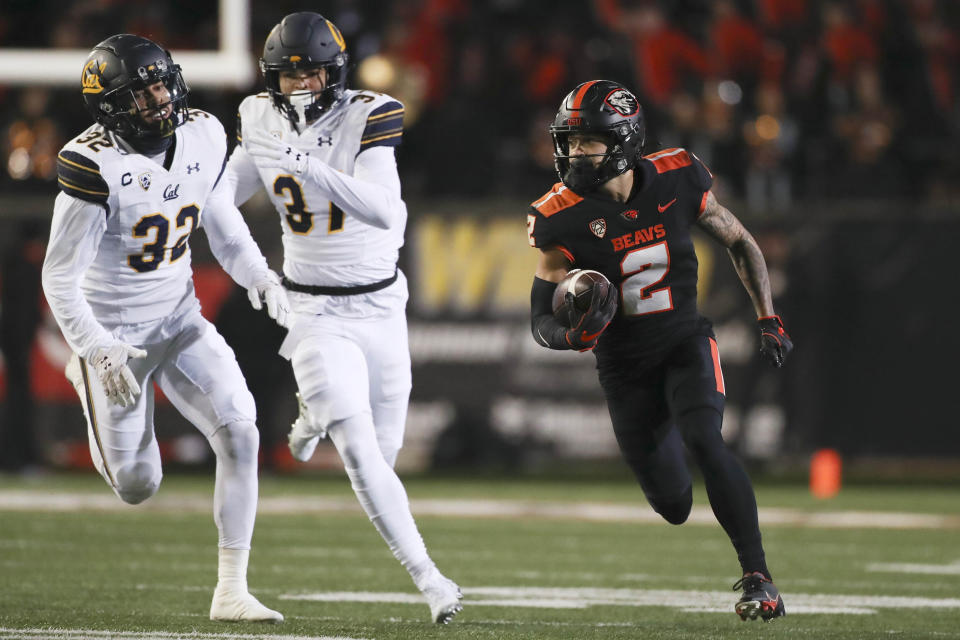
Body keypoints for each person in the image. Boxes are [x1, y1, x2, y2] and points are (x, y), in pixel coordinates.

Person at [42, 34, 289, 623]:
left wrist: (258, 274)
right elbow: (59, 280)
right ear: (111, 107)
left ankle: (231, 589)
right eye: (142, 91)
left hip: (178, 319)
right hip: (112, 340)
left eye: (161, 82)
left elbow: (218, 214)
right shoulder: (93, 164)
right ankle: (99, 396)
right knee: (138, 483)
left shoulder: (202, 131)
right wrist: (96, 349)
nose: (159, 97)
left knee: (242, 429)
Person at [225, 12, 463, 624]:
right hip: (312, 306)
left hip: (381, 304)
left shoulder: (368, 112)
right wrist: (256, 271)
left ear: (334, 73)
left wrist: (308, 165)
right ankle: (432, 580)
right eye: (288, 73)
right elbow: (221, 199)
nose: (299, 84)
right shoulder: (258, 116)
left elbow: (387, 212)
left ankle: (311, 416)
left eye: (310, 72)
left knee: (385, 451)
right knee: (359, 452)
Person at [526, 79, 793, 622]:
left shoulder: (678, 176)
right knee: (673, 505)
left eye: (587, 142)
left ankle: (759, 577)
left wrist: (768, 317)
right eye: (569, 142)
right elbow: (538, 318)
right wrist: (571, 335)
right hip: (624, 369)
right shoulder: (560, 215)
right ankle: (670, 448)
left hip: (683, 341)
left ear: (623, 141)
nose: (574, 153)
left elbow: (740, 240)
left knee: (705, 438)